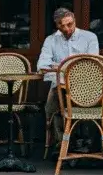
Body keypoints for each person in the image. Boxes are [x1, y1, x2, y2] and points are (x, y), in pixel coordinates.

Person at [37, 8, 99, 156]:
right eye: (61, 25)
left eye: (69, 24)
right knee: (52, 106)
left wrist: (59, 66)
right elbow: (42, 66)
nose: (66, 28)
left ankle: (89, 143)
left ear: (74, 20)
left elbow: (93, 63)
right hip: (60, 86)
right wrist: (73, 65)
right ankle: (62, 144)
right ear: (56, 25)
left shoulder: (89, 37)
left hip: (86, 85)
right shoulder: (51, 40)